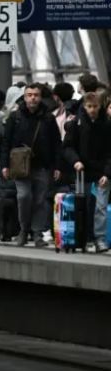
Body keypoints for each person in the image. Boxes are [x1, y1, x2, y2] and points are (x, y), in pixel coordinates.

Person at [0, 83, 62, 247]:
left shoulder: (48, 117)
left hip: (42, 165)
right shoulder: (15, 116)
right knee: (24, 196)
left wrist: (57, 166)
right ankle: (24, 229)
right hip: (20, 166)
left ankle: (37, 233)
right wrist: (4, 165)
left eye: (36, 95)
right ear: (24, 97)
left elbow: (56, 143)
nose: (32, 98)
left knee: (40, 199)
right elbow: (5, 142)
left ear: (40, 97)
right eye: (29, 95)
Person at [62, 92, 111, 253]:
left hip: (100, 172)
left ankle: (99, 238)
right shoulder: (76, 123)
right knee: (83, 205)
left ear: (100, 106)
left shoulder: (107, 125)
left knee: (100, 207)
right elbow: (67, 146)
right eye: (89, 106)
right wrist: (75, 161)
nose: (92, 110)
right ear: (84, 106)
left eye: (95, 106)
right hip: (81, 170)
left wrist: (107, 173)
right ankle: (83, 237)